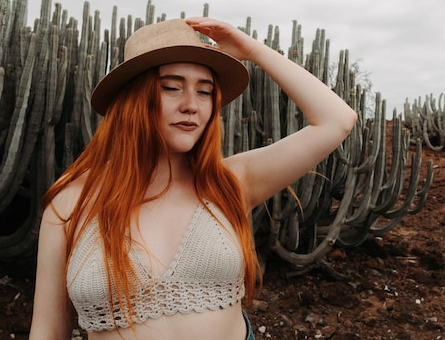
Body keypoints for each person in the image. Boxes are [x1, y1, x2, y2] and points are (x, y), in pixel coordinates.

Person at [28, 17, 357, 340]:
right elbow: (48, 331)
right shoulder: (71, 202)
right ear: (132, 99)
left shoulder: (231, 182)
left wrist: (253, 49)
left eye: (205, 92)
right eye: (171, 87)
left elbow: (336, 120)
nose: (191, 105)